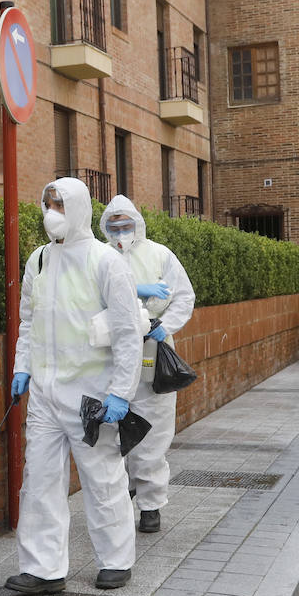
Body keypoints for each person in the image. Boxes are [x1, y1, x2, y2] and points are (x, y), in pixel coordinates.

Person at [5, 178, 143, 594]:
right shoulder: (40, 260)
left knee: (101, 478)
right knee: (40, 482)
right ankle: (43, 569)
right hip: (45, 395)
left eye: (60, 205)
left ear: (79, 208)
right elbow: (27, 320)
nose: (52, 213)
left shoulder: (104, 261)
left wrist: (121, 391)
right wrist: (22, 366)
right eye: (47, 204)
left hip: (92, 393)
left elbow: (125, 330)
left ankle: (116, 559)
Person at [99, 196, 196, 533]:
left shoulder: (159, 254)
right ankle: (122, 493)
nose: (120, 231)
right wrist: (132, 291)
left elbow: (184, 295)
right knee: (114, 428)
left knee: (154, 429)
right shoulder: (100, 256)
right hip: (111, 352)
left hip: (153, 349)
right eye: (114, 225)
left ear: (137, 223)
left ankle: (151, 504)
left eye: (125, 224)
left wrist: (165, 326)